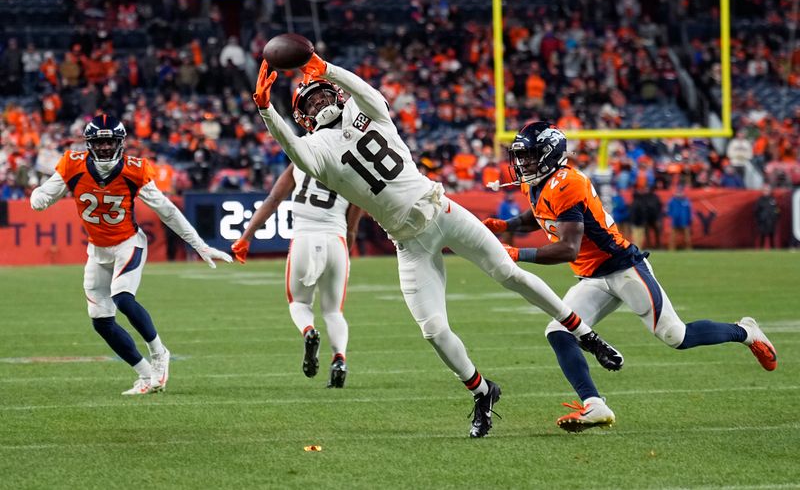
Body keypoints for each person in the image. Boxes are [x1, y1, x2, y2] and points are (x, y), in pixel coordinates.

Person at [251, 54, 623, 438]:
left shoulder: (366, 110)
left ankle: (586, 336)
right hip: (409, 242)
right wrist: (266, 111)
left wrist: (322, 65)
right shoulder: (316, 152)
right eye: (309, 103)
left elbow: (364, 90)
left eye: (321, 95)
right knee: (433, 329)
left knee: (508, 272)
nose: (318, 103)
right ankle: (482, 391)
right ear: (304, 118)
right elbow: (292, 148)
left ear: (336, 94)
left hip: (441, 209)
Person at [483, 122, 778, 433]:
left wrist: (516, 253)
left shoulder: (568, 183)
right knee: (559, 331)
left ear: (548, 153)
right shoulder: (539, 182)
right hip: (592, 277)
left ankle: (745, 332)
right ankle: (594, 405)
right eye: (520, 156)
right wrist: (507, 225)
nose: (523, 162)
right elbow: (540, 213)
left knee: (675, 336)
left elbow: (567, 248)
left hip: (623, 268)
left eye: (529, 155)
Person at [30, 115, 232, 395]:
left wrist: (200, 245)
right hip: (97, 248)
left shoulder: (134, 170)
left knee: (123, 298)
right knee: (101, 321)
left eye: (108, 142)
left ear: (120, 143)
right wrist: (39, 197)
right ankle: (146, 374)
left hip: (128, 243)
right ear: (89, 144)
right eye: (98, 143)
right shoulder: (72, 165)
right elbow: (43, 196)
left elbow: (168, 211)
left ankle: (159, 353)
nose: (103, 148)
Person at [230, 163, 364, 388]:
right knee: (333, 312)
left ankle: (308, 331)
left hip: (304, 238)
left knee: (299, 303)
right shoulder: (354, 170)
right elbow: (352, 228)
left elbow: (273, 200)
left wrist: (246, 236)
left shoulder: (302, 158)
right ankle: (339, 360)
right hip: (336, 240)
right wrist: (345, 255)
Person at [667, 185, 692, 251]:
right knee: (673, 237)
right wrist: (672, 216)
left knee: (687, 237)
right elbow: (668, 210)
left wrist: (690, 219)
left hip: (684, 221)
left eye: (681, 192)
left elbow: (689, 211)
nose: (679, 193)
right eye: (678, 192)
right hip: (675, 221)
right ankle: (671, 249)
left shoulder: (686, 201)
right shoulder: (672, 201)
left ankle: (688, 249)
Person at [754, 185, 780, 249]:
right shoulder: (760, 200)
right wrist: (759, 219)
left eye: (767, 190)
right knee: (762, 236)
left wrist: (776, 216)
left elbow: (777, 209)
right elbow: (756, 211)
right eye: (765, 190)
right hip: (763, 222)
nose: (766, 192)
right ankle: (760, 249)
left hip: (771, 221)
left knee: (772, 236)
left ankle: (773, 249)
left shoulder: (773, 199)